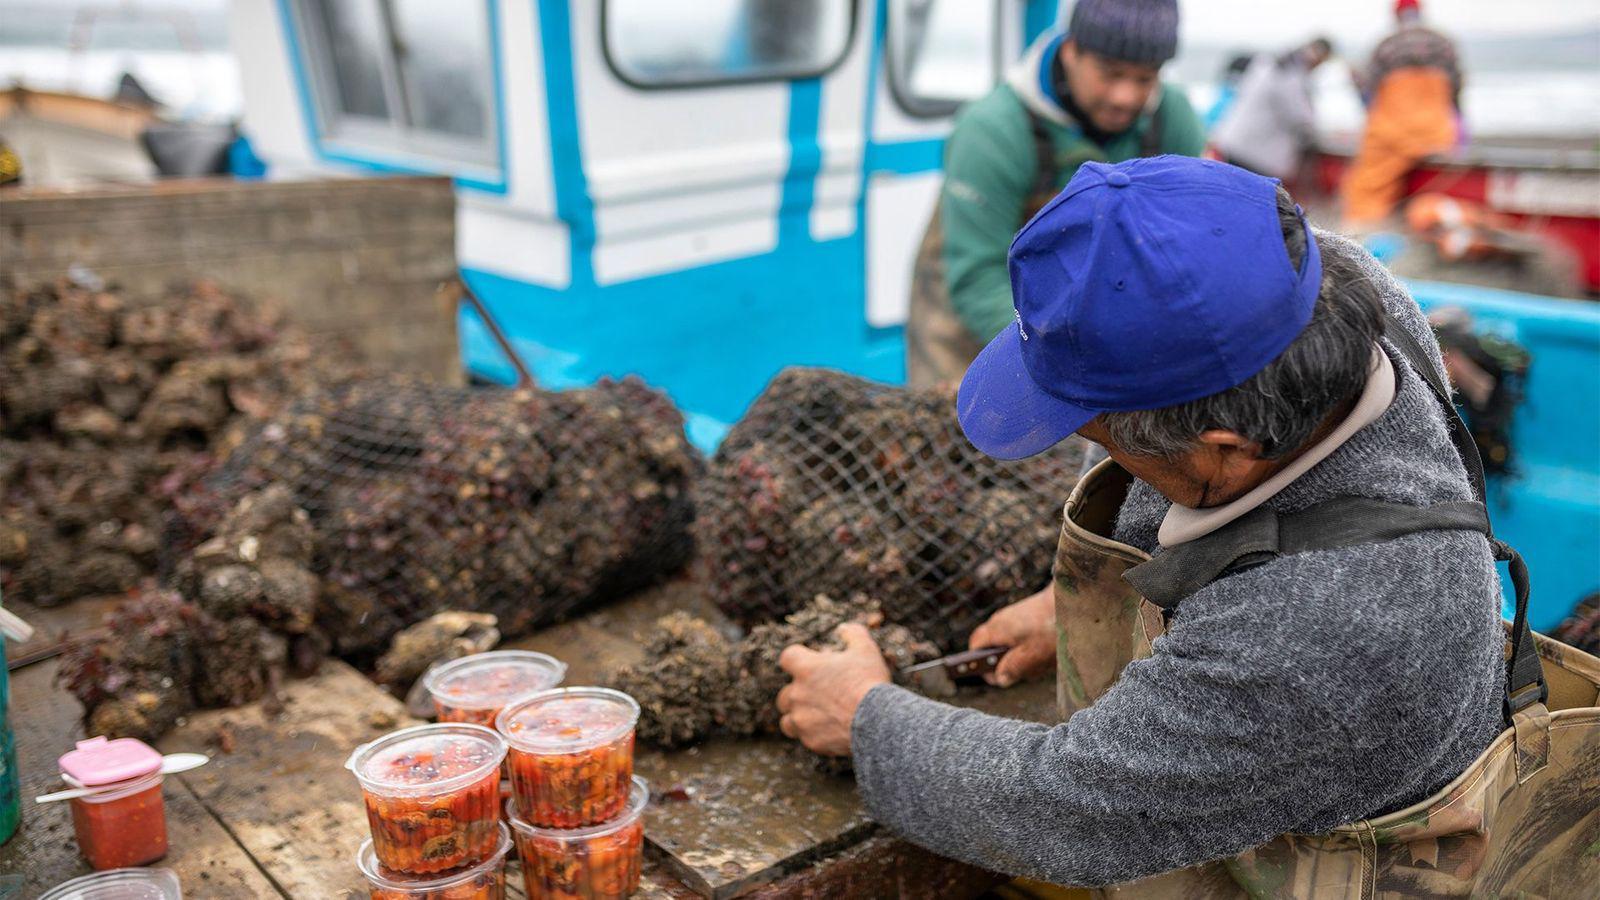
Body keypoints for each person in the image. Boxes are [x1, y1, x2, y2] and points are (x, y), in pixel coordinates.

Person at [777, 156, 1598, 895]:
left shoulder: (1330, 625)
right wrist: (1068, 605)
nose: (1089, 445)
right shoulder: (1319, 276)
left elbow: (1071, 813)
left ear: (1227, 448)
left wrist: (863, 717)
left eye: (1097, 435)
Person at [904, 0, 1204, 388]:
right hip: (979, 316)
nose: (1125, 97)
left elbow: (1187, 243)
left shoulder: (1173, 119)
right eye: (1110, 73)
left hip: (1094, 320)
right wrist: (1067, 357)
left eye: (1145, 79)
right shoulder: (993, 131)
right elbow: (977, 276)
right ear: (1070, 50)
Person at [1340, 0, 1462, 228]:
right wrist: (1458, 127)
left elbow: (1369, 90)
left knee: (1365, 185)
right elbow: (1456, 90)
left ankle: (1363, 226)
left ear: (1396, 16)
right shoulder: (1444, 43)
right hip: (1436, 133)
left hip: (1393, 133)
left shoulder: (1387, 44)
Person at [1210, 37, 1333, 180]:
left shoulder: (1270, 62)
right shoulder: (1289, 74)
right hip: (1254, 155)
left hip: (1237, 144)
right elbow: (1301, 118)